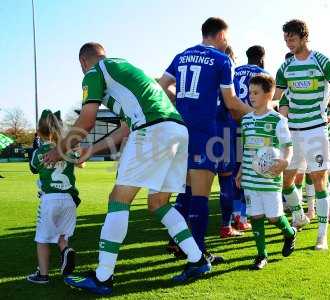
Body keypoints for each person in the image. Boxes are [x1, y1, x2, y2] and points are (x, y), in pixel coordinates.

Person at [45, 42, 210, 295]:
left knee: (118, 200)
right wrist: (90, 150)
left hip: (152, 130)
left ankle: (103, 277)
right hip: (177, 131)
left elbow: (87, 120)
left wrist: (58, 149)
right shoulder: (124, 71)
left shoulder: (95, 71)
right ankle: (197, 261)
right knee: (158, 203)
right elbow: (124, 129)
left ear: (82, 62)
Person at [159, 17, 252, 262]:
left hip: (182, 130)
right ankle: (198, 254)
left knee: (188, 190)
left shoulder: (182, 56)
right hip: (207, 132)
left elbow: (160, 87)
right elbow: (231, 102)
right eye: (227, 37)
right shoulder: (223, 60)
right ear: (221, 35)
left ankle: (185, 245)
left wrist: (179, 103)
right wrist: (258, 116)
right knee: (200, 194)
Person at [274, 19, 330, 250]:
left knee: (319, 180)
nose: (289, 43)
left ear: (304, 37)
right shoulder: (284, 68)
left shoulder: (322, 62)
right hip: (293, 133)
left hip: (316, 129)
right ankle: (299, 215)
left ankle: (322, 235)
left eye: (292, 39)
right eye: (286, 39)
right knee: (286, 180)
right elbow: (275, 99)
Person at [235, 74, 297, 269]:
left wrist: (285, 161)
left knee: (273, 217)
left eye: (256, 92)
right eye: (250, 92)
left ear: (269, 94)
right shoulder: (245, 121)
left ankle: (290, 233)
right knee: (255, 216)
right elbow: (244, 149)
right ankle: (261, 255)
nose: (251, 97)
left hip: (269, 179)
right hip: (251, 179)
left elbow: (288, 145)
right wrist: (240, 170)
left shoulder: (278, 120)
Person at [27, 109, 78, 284]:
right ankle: (65, 251)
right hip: (69, 199)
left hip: (49, 199)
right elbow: (81, 161)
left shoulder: (38, 152)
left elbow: (33, 169)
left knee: (42, 239)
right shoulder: (67, 149)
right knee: (63, 236)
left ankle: (43, 274)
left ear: (40, 131)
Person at [231, 45, 269, 231]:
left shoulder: (234, 71)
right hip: (252, 127)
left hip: (231, 126)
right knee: (250, 170)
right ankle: (244, 215)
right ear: (262, 58)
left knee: (234, 170)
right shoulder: (263, 74)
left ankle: (233, 213)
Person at [215, 45, 243, 238]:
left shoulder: (204, 74)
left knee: (191, 185)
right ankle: (226, 225)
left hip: (199, 131)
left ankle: (179, 234)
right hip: (225, 131)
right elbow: (234, 105)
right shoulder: (228, 74)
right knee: (227, 179)